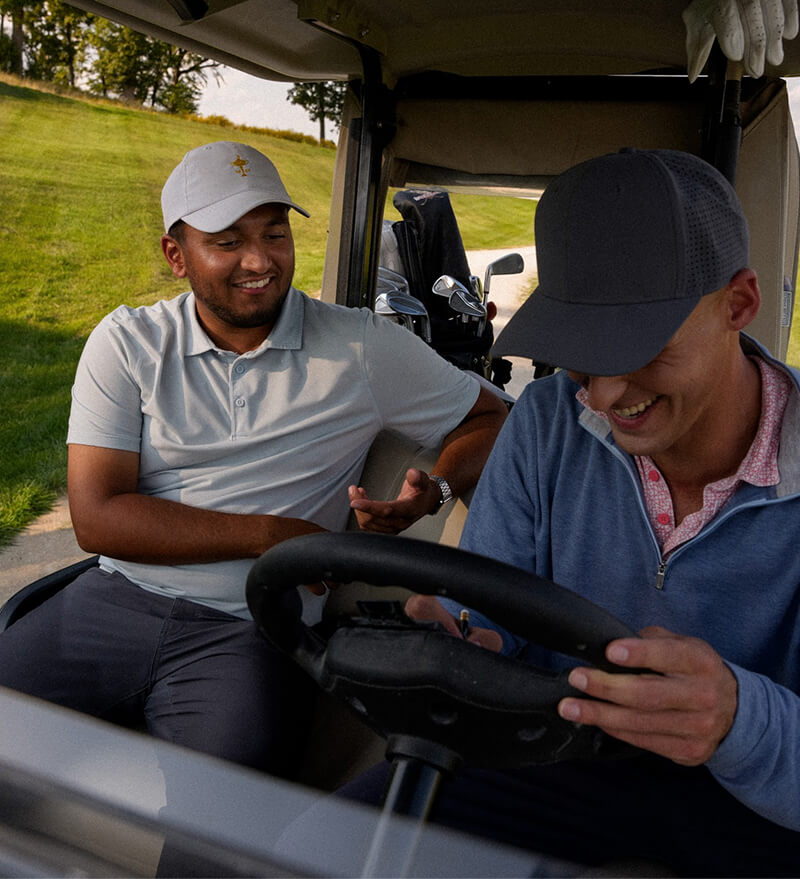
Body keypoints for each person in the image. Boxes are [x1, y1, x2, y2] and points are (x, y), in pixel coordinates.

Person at [339, 148, 800, 876]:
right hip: (555, 760)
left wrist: (739, 718)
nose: (606, 395)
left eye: (640, 346)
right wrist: (463, 640)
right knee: (318, 844)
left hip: (760, 804)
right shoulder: (547, 420)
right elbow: (494, 619)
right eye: (583, 350)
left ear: (739, 304)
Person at [0, 140, 507, 777]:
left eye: (274, 234)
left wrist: (432, 487)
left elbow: (492, 417)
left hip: (254, 626)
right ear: (175, 256)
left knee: (219, 835)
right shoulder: (127, 343)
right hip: (112, 602)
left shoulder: (363, 347)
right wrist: (277, 537)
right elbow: (98, 520)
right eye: (228, 241)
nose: (260, 260)